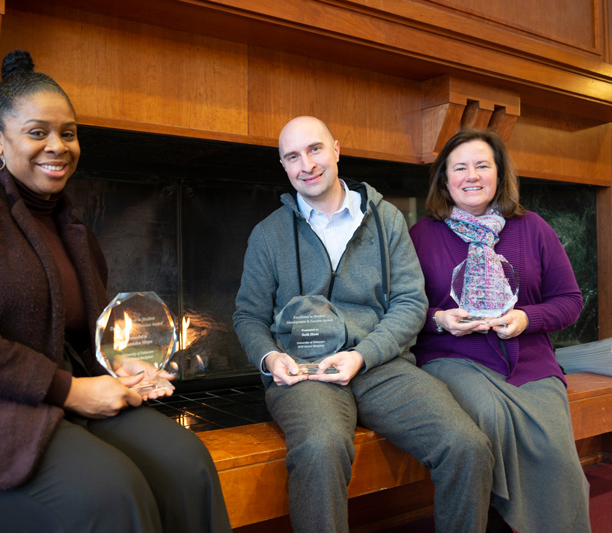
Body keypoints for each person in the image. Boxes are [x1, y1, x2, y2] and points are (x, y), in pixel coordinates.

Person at [0, 50, 231, 533]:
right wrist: (69, 390)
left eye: (68, 133)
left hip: (46, 401)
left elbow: (73, 339)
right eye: (37, 132)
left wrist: (120, 367)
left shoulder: (76, 232)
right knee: (108, 492)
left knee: (187, 462)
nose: (57, 146)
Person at [233, 116, 494, 533]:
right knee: (320, 448)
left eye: (315, 149)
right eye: (293, 157)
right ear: (284, 167)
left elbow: (410, 303)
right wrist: (269, 357)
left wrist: (362, 355)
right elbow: (248, 315)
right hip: (306, 372)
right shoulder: (269, 235)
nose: (307, 165)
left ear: (336, 149)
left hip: (381, 364)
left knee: (467, 446)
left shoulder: (386, 219)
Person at [409, 128, 591, 532]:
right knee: (488, 414)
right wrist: (439, 319)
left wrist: (527, 319)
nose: (471, 176)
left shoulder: (533, 228)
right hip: (452, 358)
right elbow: (400, 309)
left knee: (557, 453)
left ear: (498, 174)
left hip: (529, 360)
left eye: (481, 165)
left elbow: (570, 300)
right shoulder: (421, 236)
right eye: (460, 167)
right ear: (444, 179)